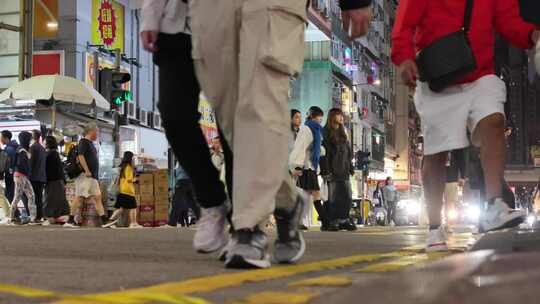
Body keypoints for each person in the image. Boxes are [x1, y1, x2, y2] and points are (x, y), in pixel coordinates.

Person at [392, 0, 539, 251]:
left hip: (480, 73)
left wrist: (531, 34)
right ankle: (435, 227)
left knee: (494, 122)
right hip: (438, 77)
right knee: (436, 154)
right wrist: (404, 58)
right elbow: (404, 25)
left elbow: (508, 22)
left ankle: (494, 205)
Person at [141, 0, 230, 254]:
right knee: (174, 116)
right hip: (176, 29)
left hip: (227, 28)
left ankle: (244, 227)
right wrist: (150, 17)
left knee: (231, 125)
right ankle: (213, 201)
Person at [64, 123, 108, 227]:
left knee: (97, 197)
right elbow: (80, 156)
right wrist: (87, 170)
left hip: (92, 176)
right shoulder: (83, 142)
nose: (97, 134)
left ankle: (104, 220)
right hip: (85, 175)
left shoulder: (90, 143)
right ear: (91, 131)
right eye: (96, 131)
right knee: (79, 196)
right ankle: (70, 220)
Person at [290, 106, 325, 230]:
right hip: (304, 167)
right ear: (312, 117)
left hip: (310, 167)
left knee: (308, 194)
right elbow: (299, 147)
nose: (319, 122)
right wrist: (297, 166)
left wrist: (321, 151)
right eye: (318, 119)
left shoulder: (315, 129)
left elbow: (314, 147)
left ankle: (322, 218)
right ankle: (324, 219)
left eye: (320, 120)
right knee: (312, 194)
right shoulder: (306, 129)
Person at [321, 108, 356, 231]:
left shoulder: (343, 133)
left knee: (347, 197)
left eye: (341, 115)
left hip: (344, 172)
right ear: (332, 117)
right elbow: (324, 154)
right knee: (333, 198)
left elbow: (348, 154)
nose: (341, 117)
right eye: (338, 115)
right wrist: (326, 171)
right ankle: (331, 221)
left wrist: (351, 168)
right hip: (332, 172)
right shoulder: (326, 132)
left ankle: (344, 220)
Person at [103, 152, 141, 228]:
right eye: (133, 158)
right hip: (128, 191)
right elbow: (129, 179)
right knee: (133, 207)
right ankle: (133, 223)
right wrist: (135, 179)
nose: (133, 160)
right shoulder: (129, 167)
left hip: (122, 190)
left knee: (121, 208)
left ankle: (110, 221)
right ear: (130, 158)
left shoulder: (122, 167)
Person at [10, 132, 36, 225]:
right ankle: (12, 218)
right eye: (29, 138)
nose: (30, 140)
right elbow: (21, 164)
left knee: (31, 196)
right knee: (18, 196)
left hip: (21, 176)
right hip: (21, 176)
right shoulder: (22, 150)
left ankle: (32, 218)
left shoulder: (21, 149)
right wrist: (28, 171)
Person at [42, 136, 70, 225]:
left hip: (53, 181)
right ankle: (58, 217)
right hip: (58, 181)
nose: (43, 143)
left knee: (50, 199)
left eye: (44, 141)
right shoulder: (55, 153)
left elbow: (47, 169)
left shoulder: (49, 154)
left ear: (47, 143)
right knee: (58, 199)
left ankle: (49, 217)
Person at [168, 162, 200, 227]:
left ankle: (172, 223)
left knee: (176, 202)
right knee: (193, 203)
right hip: (190, 181)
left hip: (182, 181)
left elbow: (178, 171)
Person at [29, 130, 47, 224]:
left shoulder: (33, 147)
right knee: (39, 197)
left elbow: (31, 163)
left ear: (33, 137)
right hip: (42, 176)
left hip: (34, 176)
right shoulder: (42, 148)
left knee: (33, 197)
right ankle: (40, 215)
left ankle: (35, 216)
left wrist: (28, 174)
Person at [1, 131, 18, 205]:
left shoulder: (9, 149)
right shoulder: (14, 146)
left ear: (6, 138)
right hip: (15, 174)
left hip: (10, 175)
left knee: (9, 194)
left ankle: (14, 213)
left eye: (1, 137)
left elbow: (5, 165)